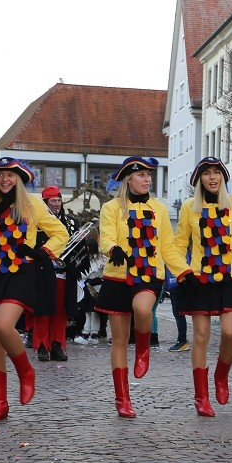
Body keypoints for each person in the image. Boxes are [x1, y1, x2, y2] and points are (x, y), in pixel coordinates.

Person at [0, 158, 68, 421]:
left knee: (3, 326)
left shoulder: (33, 203)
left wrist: (42, 253)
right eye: (0, 174)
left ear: (19, 179)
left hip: (21, 271)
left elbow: (60, 233)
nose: (5, 179)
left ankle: (25, 371)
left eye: (10, 175)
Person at [165, 157, 232, 416]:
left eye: (217, 173)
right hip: (199, 280)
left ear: (224, 177)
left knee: (228, 334)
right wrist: (182, 272)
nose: (212, 178)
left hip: (231, 279)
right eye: (207, 173)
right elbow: (179, 244)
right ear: (199, 179)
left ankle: (222, 374)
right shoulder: (190, 208)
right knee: (200, 337)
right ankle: (201, 397)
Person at [95, 156, 173, 417]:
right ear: (128, 178)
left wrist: (184, 272)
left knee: (142, 309)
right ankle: (123, 400)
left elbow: (168, 246)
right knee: (118, 340)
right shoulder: (112, 207)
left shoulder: (159, 209)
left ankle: (143, 347)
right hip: (118, 276)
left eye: (149, 175)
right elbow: (105, 237)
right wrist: (113, 248)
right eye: (141, 175)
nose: (146, 179)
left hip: (149, 274)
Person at [32, 185, 77, 362]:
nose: (57, 204)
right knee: (43, 310)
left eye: (59, 201)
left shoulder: (71, 222)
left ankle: (58, 344)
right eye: (53, 201)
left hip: (65, 272)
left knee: (61, 311)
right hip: (44, 271)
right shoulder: (36, 222)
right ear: (45, 203)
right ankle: (42, 345)